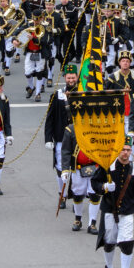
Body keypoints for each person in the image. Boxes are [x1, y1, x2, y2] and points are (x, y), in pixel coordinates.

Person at [91, 141, 134, 268]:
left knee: (127, 242)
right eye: (123, 150)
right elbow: (94, 182)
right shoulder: (107, 166)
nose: (125, 153)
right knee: (109, 241)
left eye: (128, 150)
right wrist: (104, 187)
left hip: (127, 212)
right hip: (110, 211)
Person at [45, 63, 78, 206]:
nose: (71, 80)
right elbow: (50, 118)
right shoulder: (56, 95)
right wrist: (48, 138)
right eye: (69, 77)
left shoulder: (83, 93)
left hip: (78, 137)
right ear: (65, 77)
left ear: (77, 77)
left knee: (77, 166)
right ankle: (62, 194)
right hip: (60, 137)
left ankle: (77, 193)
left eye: (73, 77)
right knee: (60, 166)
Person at [60, 121, 102, 234]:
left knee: (95, 194)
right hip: (78, 169)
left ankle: (92, 223)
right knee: (78, 195)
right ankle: (78, 219)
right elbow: (66, 151)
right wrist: (65, 170)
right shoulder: (71, 129)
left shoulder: (98, 128)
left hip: (95, 168)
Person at [106, 50, 134, 134]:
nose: (125, 63)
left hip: (132, 109)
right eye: (123, 61)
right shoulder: (113, 77)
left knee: (132, 133)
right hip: (118, 110)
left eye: (127, 61)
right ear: (119, 63)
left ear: (130, 63)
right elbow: (107, 93)